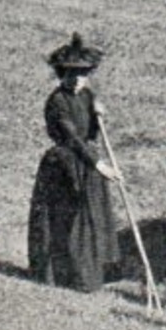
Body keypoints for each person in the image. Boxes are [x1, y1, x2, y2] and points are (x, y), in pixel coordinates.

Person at [29, 34, 121, 292]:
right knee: (68, 220)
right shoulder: (57, 101)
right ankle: (64, 276)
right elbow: (72, 139)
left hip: (87, 166)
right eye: (71, 74)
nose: (77, 79)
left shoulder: (87, 95)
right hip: (64, 167)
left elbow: (89, 132)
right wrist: (99, 165)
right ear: (61, 74)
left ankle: (89, 276)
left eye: (82, 73)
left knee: (90, 218)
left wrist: (99, 114)